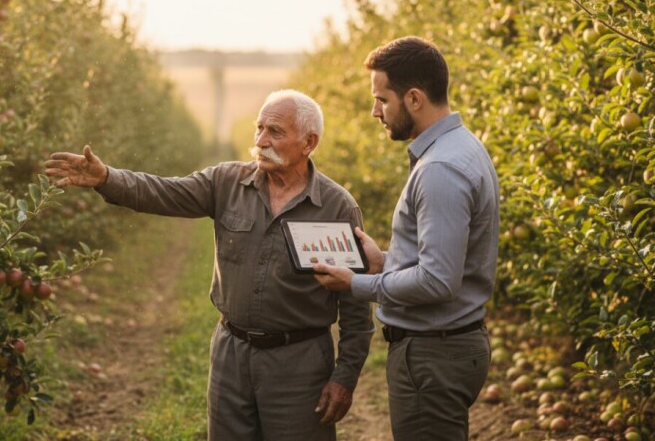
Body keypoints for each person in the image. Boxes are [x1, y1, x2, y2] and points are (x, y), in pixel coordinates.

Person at [44, 89, 374, 441]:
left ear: (309, 142)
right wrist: (107, 178)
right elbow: (163, 192)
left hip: (299, 363)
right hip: (231, 355)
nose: (261, 140)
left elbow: (355, 307)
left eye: (275, 131)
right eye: (259, 128)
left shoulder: (337, 207)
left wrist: (344, 377)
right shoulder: (226, 182)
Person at [312, 36, 500, 441]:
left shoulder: (440, 169)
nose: (374, 111)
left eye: (382, 99)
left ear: (414, 98)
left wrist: (358, 283)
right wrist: (384, 260)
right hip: (445, 348)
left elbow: (437, 280)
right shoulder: (460, 148)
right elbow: (446, 260)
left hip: (431, 355)